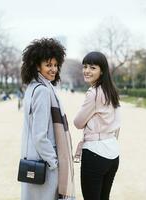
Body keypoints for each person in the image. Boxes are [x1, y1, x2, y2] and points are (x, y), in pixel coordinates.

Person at [20, 38, 75, 200]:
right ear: (37, 65)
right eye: (48, 65)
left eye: (55, 65)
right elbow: (39, 135)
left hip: (33, 158)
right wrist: (54, 162)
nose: (53, 69)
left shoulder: (32, 87)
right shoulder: (43, 91)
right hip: (44, 164)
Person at [73, 52, 121, 200]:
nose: (87, 71)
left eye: (93, 68)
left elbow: (78, 122)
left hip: (95, 153)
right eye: (85, 66)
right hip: (113, 152)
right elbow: (118, 124)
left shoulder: (94, 93)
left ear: (102, 71)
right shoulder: (112, 91)